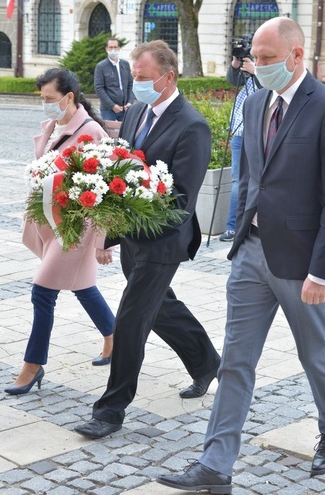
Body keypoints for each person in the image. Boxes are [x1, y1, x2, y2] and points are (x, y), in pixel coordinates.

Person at [157, 17, 325, 494]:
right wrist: (240, 230)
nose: (258, 67)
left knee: (314, 352)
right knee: (235, 362)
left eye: (268, 60)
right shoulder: (255, 101)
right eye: (256, 58)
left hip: (301, 262)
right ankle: (216, 465)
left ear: (296, 56)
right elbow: (250, 175)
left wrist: (321, 272)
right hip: (250, 252)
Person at [74, 40, 222, 440]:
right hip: (132, 236)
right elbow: (123, 171)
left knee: (132, 318)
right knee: (160, 309)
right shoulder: (138, 110)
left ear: (167, 76)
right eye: (134, 76)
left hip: (164, 240)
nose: (134, 84)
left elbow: (182, 202)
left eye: (141, 77)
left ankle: (110, 410)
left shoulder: (192, 125)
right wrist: (111, 231)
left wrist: (136, 224)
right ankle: (207, 361)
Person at [6, 68, 115, 395]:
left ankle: (33, 364)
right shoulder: (56, 125)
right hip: (51, 222)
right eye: (42, 99)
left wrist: (102, 240)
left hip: (76, 227)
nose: (45, 105)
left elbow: (106, 189)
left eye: (50, 99)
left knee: (43, 291)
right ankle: (114, 338)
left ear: (69, 97)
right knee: (82, 288)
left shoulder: (91, 131)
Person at [219, 53, 261, 242]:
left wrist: (256, 71)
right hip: (238, 133)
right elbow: (232, 81)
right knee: (237, 180)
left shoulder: (265, 70)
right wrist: (236, 65)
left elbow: (270, 90)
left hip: (257, 133)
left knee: (258, 180)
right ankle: (232, 227)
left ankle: (252, 225)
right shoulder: (248, 71)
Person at [93, 38, 134, 121]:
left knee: (125, 132)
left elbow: (131, 84)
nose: (113, 50)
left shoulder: (125, 64)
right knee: (109, 133)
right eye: (110, 47)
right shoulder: (101, 66)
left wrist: (130, 102)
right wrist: (112, 106)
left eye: (115, 47)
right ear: (106, 49)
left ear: (119, 48)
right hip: (108, 110)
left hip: (125, 108)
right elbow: (99, 88)